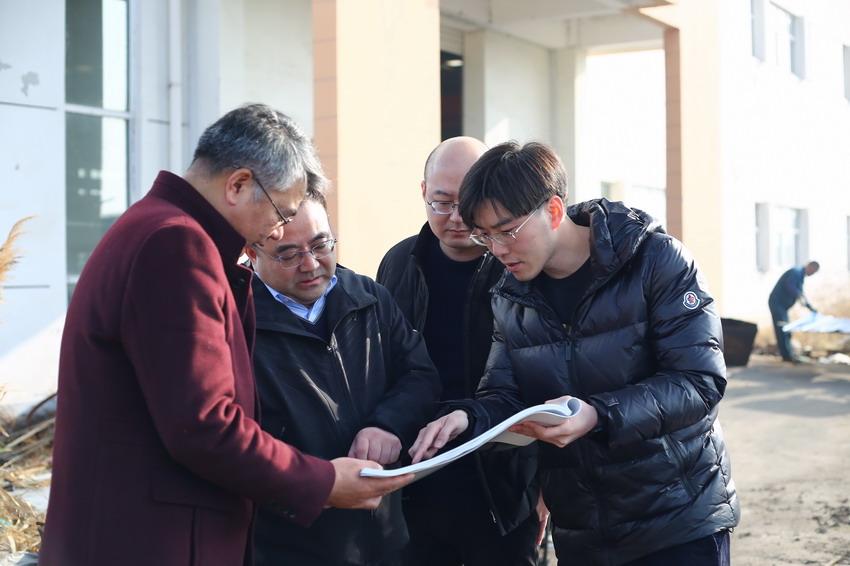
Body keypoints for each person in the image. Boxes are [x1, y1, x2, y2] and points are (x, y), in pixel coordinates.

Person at [39, 104, 412, 566]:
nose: (277, 229)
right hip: (155, 538)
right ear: (237, 185)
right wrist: (323, 483)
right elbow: (203, 424)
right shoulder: (177, 244)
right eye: (281, 213)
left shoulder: (151, 223)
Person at [410, 141, 740, 566]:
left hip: (676, 519)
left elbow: (699, 382)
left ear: (552, 210)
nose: (497, 249)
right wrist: (468, 418)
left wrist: (599, 415)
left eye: (506, 231)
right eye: (485, 236)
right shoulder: (510, 295)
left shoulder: (656, 261)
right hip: (582, 529)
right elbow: (504, 395)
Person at [246, 193, 441, 565]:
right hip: (285, 547)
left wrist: (388, 425)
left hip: (383, 539)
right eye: (288, 255)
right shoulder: (236, 322)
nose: (310, 264)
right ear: (252, 253)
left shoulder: (370, 297)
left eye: (321, 245)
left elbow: (419, 374)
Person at [377, 137, 542, 566]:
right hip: (415, 482)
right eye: (441, 201)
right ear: (423, 192)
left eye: (466, 203)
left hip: (503, 488)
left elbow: (547, 378)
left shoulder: (519, 266)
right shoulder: (398, 262)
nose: (455, 217)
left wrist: (547, 488)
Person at [768, 261, 820, 363]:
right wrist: (799, 296)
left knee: (787, 329)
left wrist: (810, 307)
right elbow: (791, 286)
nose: (812, 274)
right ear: (810, 267)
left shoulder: (800, 275)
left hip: (782, 306)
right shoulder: (796, 272)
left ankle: (788, 354)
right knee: (782, 329)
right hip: (777, 303)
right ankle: (786, 356)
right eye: (813, 272)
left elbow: (801, 293)